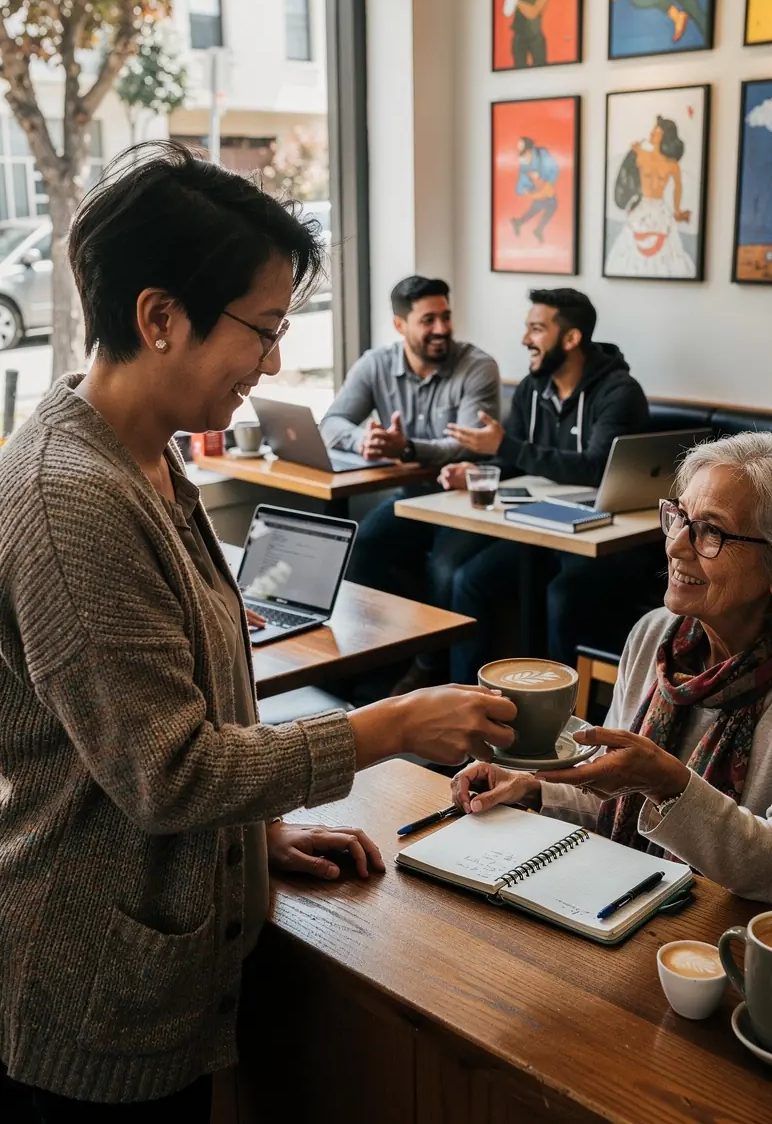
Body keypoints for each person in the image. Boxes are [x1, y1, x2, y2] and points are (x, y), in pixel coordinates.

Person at [0, 143, 517, 1121]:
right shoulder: (72, 499)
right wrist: (394, 724)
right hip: (85, 994)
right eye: (264, 329)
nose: (277, 361)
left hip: (147, 956)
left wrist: (253, 840)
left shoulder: (144, 459)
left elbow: (163, 715)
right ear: (159, 316)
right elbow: (170, 770)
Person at [452, 432, 772, 910]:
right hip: (626, 905)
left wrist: (670, 785)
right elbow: (617, 791)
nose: (677, 546)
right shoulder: (656, 637)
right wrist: (535, 788)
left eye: (712, 531)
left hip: (730, 945)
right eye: (680, 518)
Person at [439, 288, 651, 681]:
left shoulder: (620, 393)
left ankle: (562, 717)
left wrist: (507, 446)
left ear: (571, 339)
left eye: (536, 329)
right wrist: (473, 470)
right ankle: (467, 700)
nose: (525, 340)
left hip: (600, 537)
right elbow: (511, 458)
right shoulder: (531, 389)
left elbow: (595, 468)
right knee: (469, 581)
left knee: (562, 595)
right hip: (538, 529)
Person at [321, 275, 500, 693]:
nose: (441, 328)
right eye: (428, 319)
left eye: (446, 316)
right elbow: (332, 422)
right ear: (400, 325)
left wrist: (406, 449)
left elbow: (468, 443)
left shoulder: (477, 366)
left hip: (465, 499)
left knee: (446, 566)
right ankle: (365, 664)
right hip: (413, 497)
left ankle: (429, 669)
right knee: (362, 543)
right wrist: (363, 439)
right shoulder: (375, 364)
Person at [606, 115, 695, 279]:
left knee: (666, 250)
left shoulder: (671, 164)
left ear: (664, 136)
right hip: (642, 205)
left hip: (660, 207)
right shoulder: (640, 154)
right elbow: (627, 176)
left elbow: (678, 187)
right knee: (631, 246)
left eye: (656, 131)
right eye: (653, 130)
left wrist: (677, 210)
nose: (652, 133)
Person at [511, 137, 559, 243]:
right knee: (548, 206)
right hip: (534, 187)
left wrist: (547, 182)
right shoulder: (523, 159)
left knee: (540, 207)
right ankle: (536, 229)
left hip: (545, 184)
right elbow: (522, 174)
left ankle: (520, 223)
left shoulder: (542, 153)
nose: (523, 155)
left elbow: (554, 168)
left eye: (525, 152)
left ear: (529, 149)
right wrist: (522, 189)